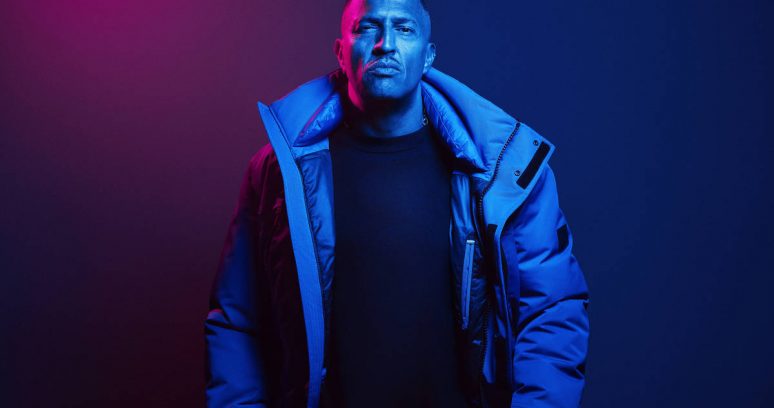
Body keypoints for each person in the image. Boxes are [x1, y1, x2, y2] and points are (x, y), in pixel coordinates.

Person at [204, 0, 590, 407]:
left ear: (428, 55)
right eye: (367, 28)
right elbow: (237, 321)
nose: (385, 44)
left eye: (404, 29)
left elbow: (551, 310)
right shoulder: (280, 172)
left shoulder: (502, 172)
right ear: (341, 52)